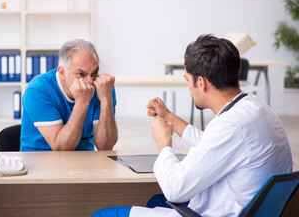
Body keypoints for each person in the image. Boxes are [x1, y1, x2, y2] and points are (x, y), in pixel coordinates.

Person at [92, 34, 293, 217]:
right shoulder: (256, 109)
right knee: (155, 201)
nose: (188, 87)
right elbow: (210, 144)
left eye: (188, 80)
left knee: (102, 215)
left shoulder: (232, 125)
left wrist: (164, 143)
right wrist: (169, 117)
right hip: (246, 205)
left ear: (202, 83)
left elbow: (173, 187)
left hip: (223, 212)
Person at [20, 39, 118, 151]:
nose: (90, 81)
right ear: (62, 73)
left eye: (94, 73)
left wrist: (106, 100)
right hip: (40, 162)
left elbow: (105, 146)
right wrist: (82, 102)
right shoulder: (38, 90)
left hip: (84, 163)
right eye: (81, 74)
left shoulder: (103, 87)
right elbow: (61, 149)